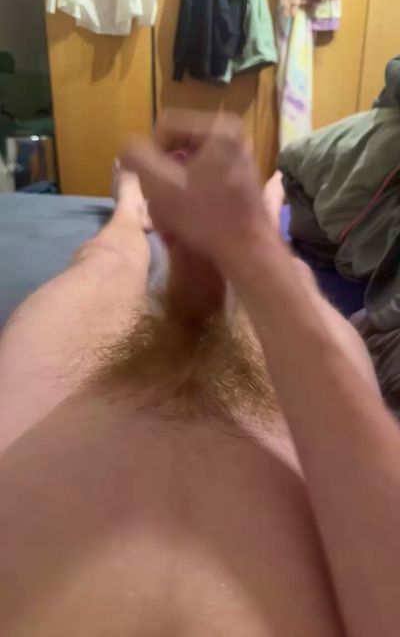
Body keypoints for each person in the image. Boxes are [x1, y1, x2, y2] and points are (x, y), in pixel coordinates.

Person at [0, 110, 399, 637]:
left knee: (104, 259)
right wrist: (254, 256)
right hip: (303, 451)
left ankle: (131, 213)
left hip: (51, 424)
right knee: (297, 279)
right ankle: (262, 219)